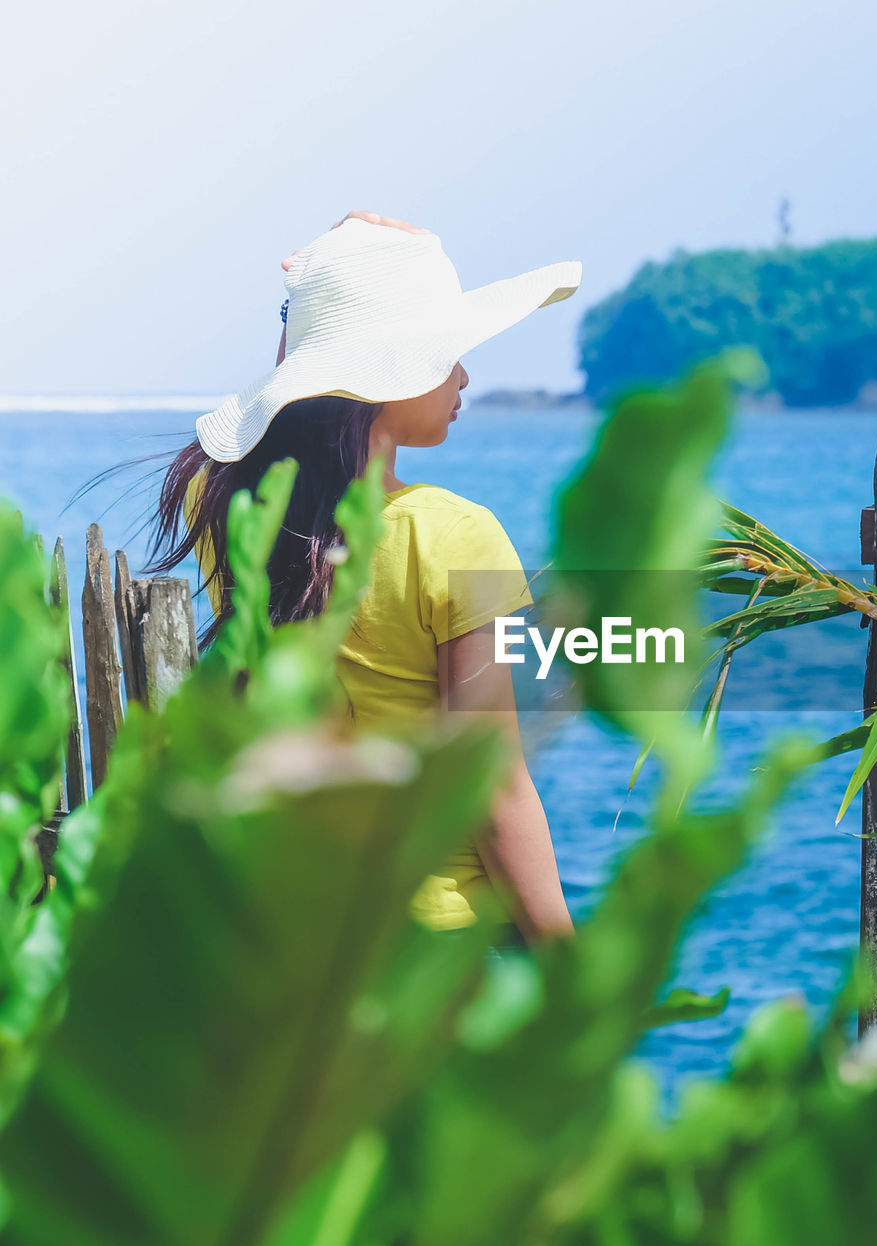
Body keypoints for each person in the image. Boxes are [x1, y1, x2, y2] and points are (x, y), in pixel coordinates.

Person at [146, 210, 578, 947]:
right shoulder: (451, 536)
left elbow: (293, 400)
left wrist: (318, 295)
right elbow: (495, 793)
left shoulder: (232, 511)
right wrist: (576, 986)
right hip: (434, 962)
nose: (465, 373)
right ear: (388, 373)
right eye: (444, 353)